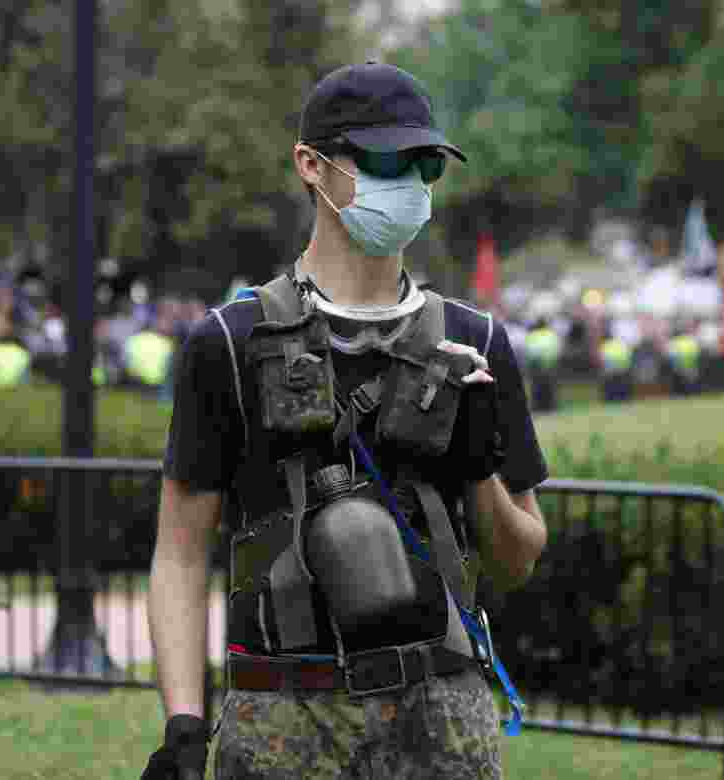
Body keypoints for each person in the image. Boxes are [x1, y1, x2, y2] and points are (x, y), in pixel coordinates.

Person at [142, 62, 549, 780]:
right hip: (281, 721)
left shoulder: (477, 345)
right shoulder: (230, 344)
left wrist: (478, 467)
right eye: (385, 160)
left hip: (444, 722)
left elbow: (517, 561)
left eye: (424, 164)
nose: (410, 183)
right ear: (311, 165)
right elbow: (179, 553)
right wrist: (183, 725)